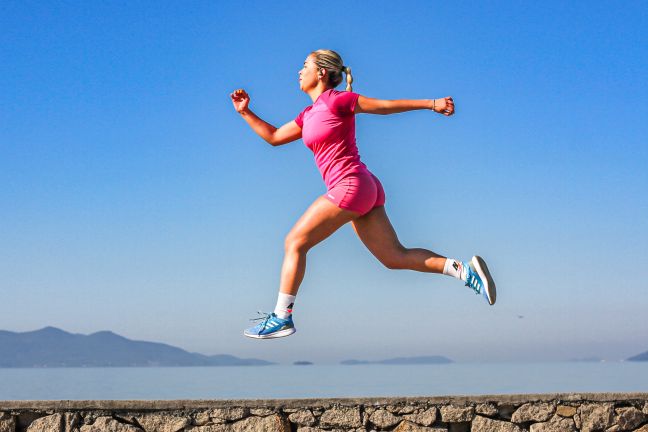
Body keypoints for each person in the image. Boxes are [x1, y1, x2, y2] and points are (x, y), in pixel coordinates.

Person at [230, 49, 496, 339]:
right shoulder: (308, 114)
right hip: (364, 186)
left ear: (321, 73)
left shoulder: (337, 100)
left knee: (294, 241)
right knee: (394, 257)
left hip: (351, 185)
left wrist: (432, 104)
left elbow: (383, 106)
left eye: (304, 65)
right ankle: (464, 271)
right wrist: (245, 111)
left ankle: (282, 316)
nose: (298, 71)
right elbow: (274, 137)